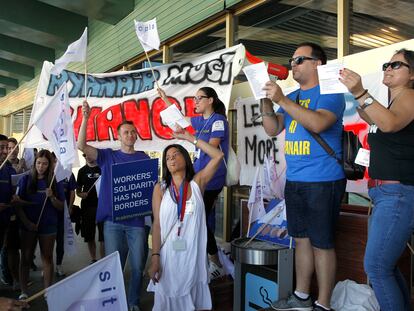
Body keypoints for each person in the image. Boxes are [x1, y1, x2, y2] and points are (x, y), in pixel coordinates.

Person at [261, 42, 346, 311]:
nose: (292, 65)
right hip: (296, 180)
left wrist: (281, 99)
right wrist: (265, 98)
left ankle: (323, 303)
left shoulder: (331, 92)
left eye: (299, 60)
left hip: (323, 180)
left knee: (322, 243)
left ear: (317, 63)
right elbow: (272, 128)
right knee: (301, 239)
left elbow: (319, 122)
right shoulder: (294, 96)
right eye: (292, 60)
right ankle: (301, 296)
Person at [339, 49, 414, 311]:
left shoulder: (411, 97)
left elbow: (390, 124)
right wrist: (353, 91)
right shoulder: (394, 103)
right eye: (386, 64)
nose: (388, 67)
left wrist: (360, 92)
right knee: (386, 267)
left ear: (412, 74)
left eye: (397, 64)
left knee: (377, 267)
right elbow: (373, 117)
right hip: (386, 195)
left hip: (398, 193)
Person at [78, 101, 150, 311]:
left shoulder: (144, 158)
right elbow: (82, 146)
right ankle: (114, 302)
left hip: (136, 221)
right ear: (118, 136)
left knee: (137, 267)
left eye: (133, 132)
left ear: (136, 136)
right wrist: (85, 118)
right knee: (113, 266)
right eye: (126, 132)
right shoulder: (108, 155)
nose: (130, 135)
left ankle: (133, 302)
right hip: (112, 222)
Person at [147, 128, 224, 311]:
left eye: (176, 154)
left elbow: (218, 155)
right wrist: (155, 258)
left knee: (194, 303)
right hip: (168, 258)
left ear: (185, 158)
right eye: (168, 157)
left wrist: (189, 138)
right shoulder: (161, 188)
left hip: (194, 257)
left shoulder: (198, 183)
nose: (171, 158)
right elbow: (157, 226)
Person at [158, 87, 229, 279]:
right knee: (201, 219)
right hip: (198, 176)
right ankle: (208, 259)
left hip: (211, 177)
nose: (195, 102)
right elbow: (181, 119)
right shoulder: (201, 121)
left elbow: (212, 148)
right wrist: (165, 99)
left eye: (199, 98)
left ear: (211, 100)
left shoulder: (219, 121)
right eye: (195, 98)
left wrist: (190, 138)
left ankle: (215, 263)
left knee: (201, 221)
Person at [13, 149, 65, 300]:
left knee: (47, 257)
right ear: (34, 163)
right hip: (28, 225)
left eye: (45, 164)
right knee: (26, 258)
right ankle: (23, 292)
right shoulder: (25, 179)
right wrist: (27, 223)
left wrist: (52, 197)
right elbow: (17, 204)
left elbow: (61, 206)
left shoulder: (55, 182)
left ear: (49, 165)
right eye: (39, 163)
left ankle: (48, 291)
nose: (41, 166)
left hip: (48, 225)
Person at [76, 153, 104, 263]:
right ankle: (93, 259)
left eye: (90, 154)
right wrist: (81, 194)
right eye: (85, 155)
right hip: (87, 207)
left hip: (102, 206)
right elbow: (78, 191)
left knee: (103, 236)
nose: (88, 157)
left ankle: (104, 260)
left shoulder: (102, 168)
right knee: (89, 235)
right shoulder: (82, 171)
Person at [0, 135, 17, 288]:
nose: (5, 151)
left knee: (4, 250)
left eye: (7, 147)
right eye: (2, 147)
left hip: (5, 220)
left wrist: (15, 197)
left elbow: (13, 192)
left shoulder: (9, 170)